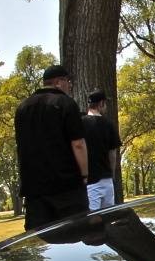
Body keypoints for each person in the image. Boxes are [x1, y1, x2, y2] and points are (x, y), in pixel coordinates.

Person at [14, 64, 89, 230]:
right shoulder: (65, 103)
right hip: (66, 187)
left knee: (41, 242)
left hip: (34, 189)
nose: (69, 86)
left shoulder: (22, 108)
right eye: (68, 81)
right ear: (59, 82)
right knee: (76, 234)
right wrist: (84, 174)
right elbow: (78, 144)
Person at [82, 90, 121, 211]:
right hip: (106, 179)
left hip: (89, 181)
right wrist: (112, 174)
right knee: (108, 218)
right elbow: (112, 154)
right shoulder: (109, 124)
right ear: (101, 104)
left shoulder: (80, 123)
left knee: (91, 219)